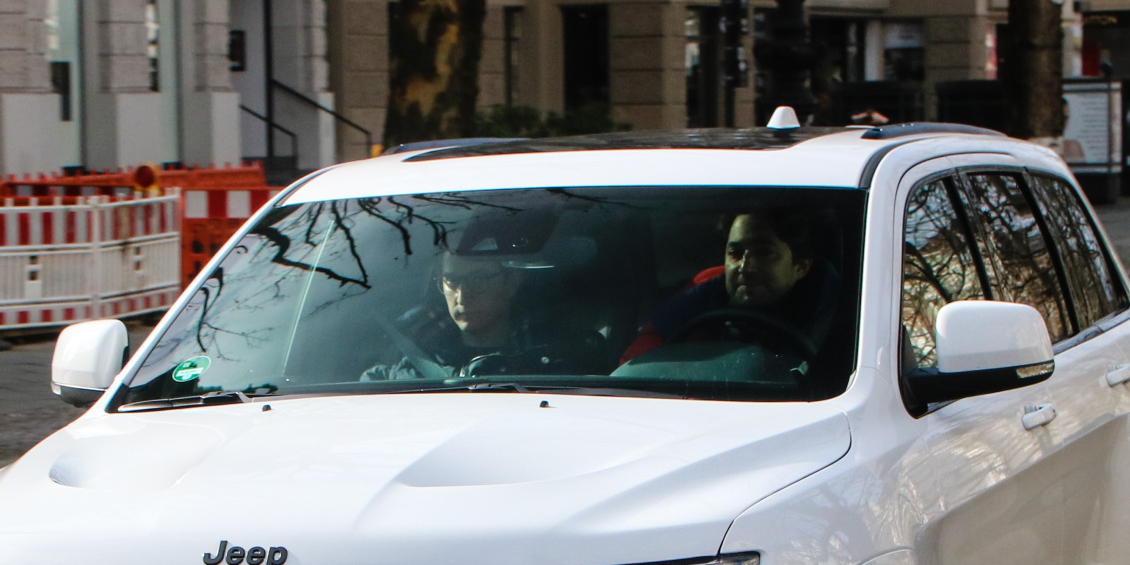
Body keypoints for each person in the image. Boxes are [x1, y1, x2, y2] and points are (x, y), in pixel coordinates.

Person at [621, 208, 846, 369]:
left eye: (764, 253)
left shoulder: (838, 307)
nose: (745, 266)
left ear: (801, 266)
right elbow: (642, 357)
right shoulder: (707, 290)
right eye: (735, 254)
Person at [360, 246, 609, 382]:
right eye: (451, 281)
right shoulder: (416, 360)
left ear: (511, 283)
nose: (462, 296)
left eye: (477, 279)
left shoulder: (559, 357)